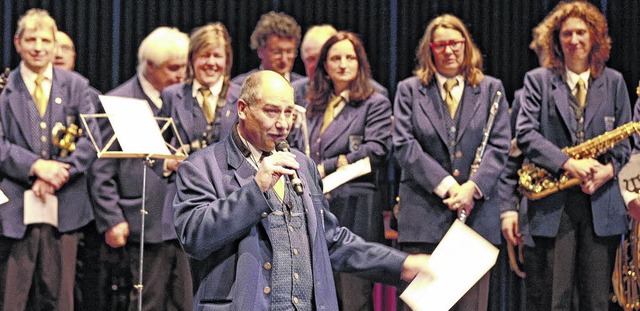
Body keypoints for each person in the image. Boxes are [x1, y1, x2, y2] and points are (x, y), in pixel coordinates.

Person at [173, 70, 431, 310]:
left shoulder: (303, 165)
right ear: (242, 109)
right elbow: (195, 237)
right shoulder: (201, 167)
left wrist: (401, 265)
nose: (283, 124)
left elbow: (330, 240)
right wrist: (256, 189)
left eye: (289, 113)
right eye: (272, 112)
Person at [515, 2, 631, 310]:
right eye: (567, 34)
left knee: (596, 301)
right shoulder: (538, 80)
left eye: (581, 32)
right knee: (556, 299)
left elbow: (624, 144)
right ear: (556, 39)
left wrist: (607, 171)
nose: (574, 40)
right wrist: (569, 163)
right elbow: (525, 134)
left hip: (600, 203)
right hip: (553, 208)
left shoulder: (615, 82)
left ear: (594, 38)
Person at [393, 13, 510, 310]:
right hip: (423, 219)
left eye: (455, 43)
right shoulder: (409, 90)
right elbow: (404, 145)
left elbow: (498, 146)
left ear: (466, 46)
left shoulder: (491, 88)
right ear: (429, 49)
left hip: (474, 220)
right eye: (441, 44)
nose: (449, 50)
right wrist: (448, 187)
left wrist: (472, 187)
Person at [0, 8, 100, 310]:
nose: (38, 47)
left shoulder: (77, 85)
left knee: (60, 299)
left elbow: (91, 139)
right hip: (14, 207)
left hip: (65, 205)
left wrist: (60, 173)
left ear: (55, 44)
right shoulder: (4, 88)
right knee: (12, 299)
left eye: (46, 40)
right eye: (31, 39)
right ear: (18, 43)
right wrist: (35, 167)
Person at [91, 26, 192, 310]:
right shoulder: (121, 101)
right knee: (146, 302)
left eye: (183, 68)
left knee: (185, 301)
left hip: (180, 221)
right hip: (141, 223)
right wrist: (112, 218)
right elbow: (101, 171)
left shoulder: (184, 99)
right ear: (150, 65)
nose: (180, 76)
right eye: (173, 68)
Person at [302, 31, 391, 311]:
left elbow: (375, 150)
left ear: (360, 63)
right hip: (316, 208)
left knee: (354, 299)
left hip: (356, 210)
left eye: (350, 57)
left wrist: (325, 166)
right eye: (335, 58)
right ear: (324, 65)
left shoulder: (374, 102)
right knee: (320, 298)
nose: (343, 64)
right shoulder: (311, 104)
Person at [292, 25, 388, 107]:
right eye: (311, 59)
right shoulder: (294, 91)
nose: (317, 64)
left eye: (320, 58)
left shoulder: (375, 95)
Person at [231, 11, 304, 85]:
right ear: (260, 51)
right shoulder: (240, 86)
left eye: (289, 51)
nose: (284, 59)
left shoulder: (304, 88)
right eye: (277, 52)